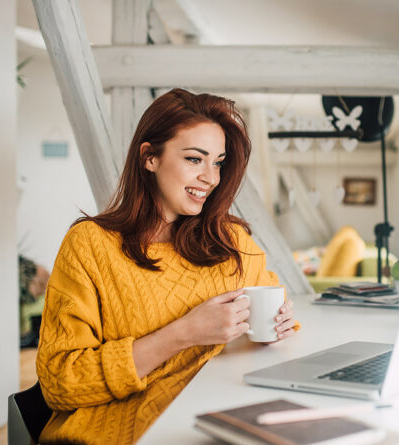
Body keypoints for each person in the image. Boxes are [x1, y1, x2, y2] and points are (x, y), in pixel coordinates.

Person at [36, 88, 298, 444]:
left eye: (218, 162)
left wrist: (281, 323)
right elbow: (59, 383)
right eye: (195, 159)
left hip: (214, 416)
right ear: (149, 157)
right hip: (120, 431)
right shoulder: (90, 245)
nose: (211, 177)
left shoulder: (231, 241)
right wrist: (184, 333)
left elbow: (276, 311)